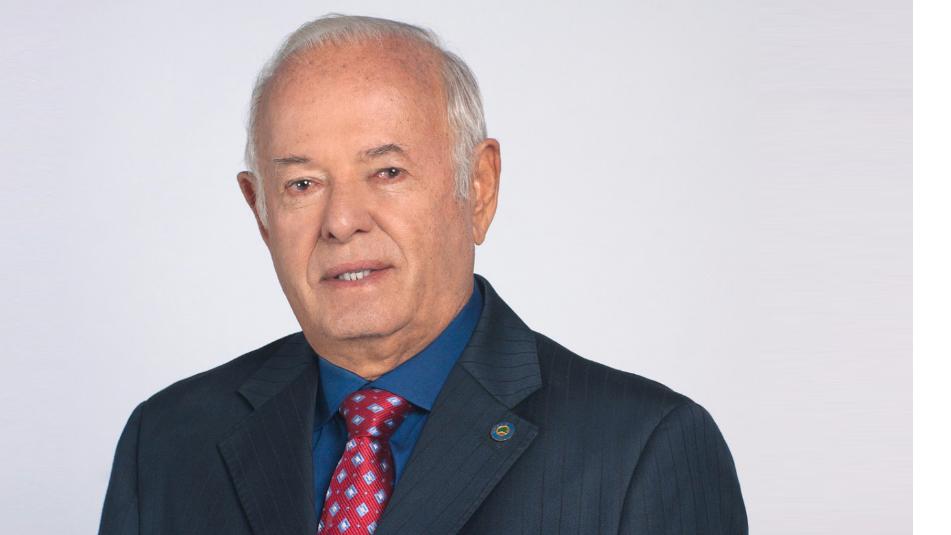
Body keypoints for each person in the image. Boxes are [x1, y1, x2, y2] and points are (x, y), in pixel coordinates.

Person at [98, 14, 748, 535]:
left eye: (387, 172)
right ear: (260, 211)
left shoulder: (641, 451)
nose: (341, 222)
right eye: (302, 183)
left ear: (479, 186)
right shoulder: (165, 444)